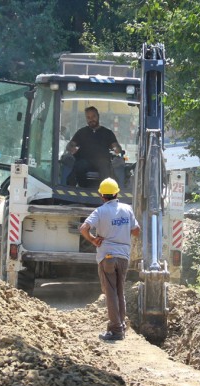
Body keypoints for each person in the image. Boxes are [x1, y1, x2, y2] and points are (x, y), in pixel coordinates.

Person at [79, 178, 140, 341]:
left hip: (107, 257)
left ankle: (115, 330)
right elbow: (136, 231)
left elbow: (83, 228)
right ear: (117, 193)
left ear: (101, 195)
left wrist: (93, 240)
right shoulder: (127, 209)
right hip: (123, 256)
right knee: (120, 292)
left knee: (111, 293)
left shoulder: (100, 211)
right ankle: (121, 327)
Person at [66, 106, 122, 187]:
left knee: (106, 167)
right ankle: (81, 190)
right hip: (84, 161)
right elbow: (71, 145)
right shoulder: (81, 132)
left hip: (102, 162)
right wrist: (71, 148)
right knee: (79, 166)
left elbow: (116, 147)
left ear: (98, 116)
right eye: (88, 117)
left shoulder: (107, 133)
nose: (91, 119)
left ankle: (105, 191)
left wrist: (117, 149)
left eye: (93, 116)